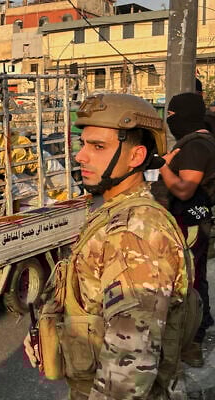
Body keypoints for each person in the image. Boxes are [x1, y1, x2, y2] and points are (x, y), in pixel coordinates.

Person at [24, 94, 194, 399]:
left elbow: (128, 370)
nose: (80, 156)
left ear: (136, 157)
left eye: (98, 147)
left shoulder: (136, 233)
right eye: (83, 144)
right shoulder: (113, 212)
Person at [159, 92, 215, 367]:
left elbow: (184, 190)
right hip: (193, 218)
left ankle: (193, 341)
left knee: (189, 280)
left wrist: (164, 168)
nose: (169, 121)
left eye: (170, 116)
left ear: (183, 116)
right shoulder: (198, 142)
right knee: (193, 277)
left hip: (192, 219)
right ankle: (198, 327)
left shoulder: (196, 146)